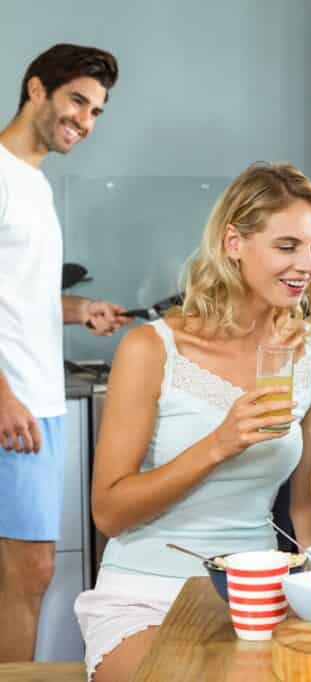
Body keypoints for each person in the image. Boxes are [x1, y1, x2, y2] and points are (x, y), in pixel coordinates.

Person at [75, 162, 311, 681]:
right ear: (234, 242)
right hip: (146, 596)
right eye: (287, 246)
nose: (306, 264)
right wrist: (219, 443)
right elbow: (109, 512)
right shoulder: (153, 348)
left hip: (260, 598)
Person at [0, 43, 129, 663]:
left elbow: (20, 293)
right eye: (77, 100)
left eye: (97, 110)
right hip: (13, 405)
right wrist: (2, 396)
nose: (86, 119)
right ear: (35, 90)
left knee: (27, 574)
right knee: (29, 572)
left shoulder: (35, 184)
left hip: (36, 403)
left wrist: (82, 310)